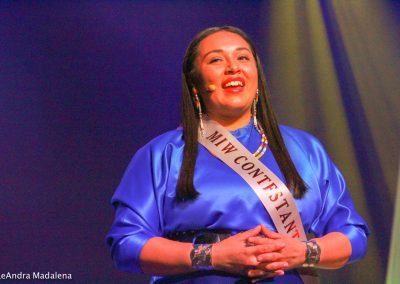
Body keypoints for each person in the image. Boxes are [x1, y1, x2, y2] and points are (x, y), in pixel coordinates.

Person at [106, 26, 369, 283]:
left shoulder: (304, 149)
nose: (233, 67)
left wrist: (303, 252)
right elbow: (126, 244)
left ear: (256, 76)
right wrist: (212, 256)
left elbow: (352, 235)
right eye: (217, 60)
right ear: (195, 83)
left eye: (243, 57)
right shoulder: (162, 153)